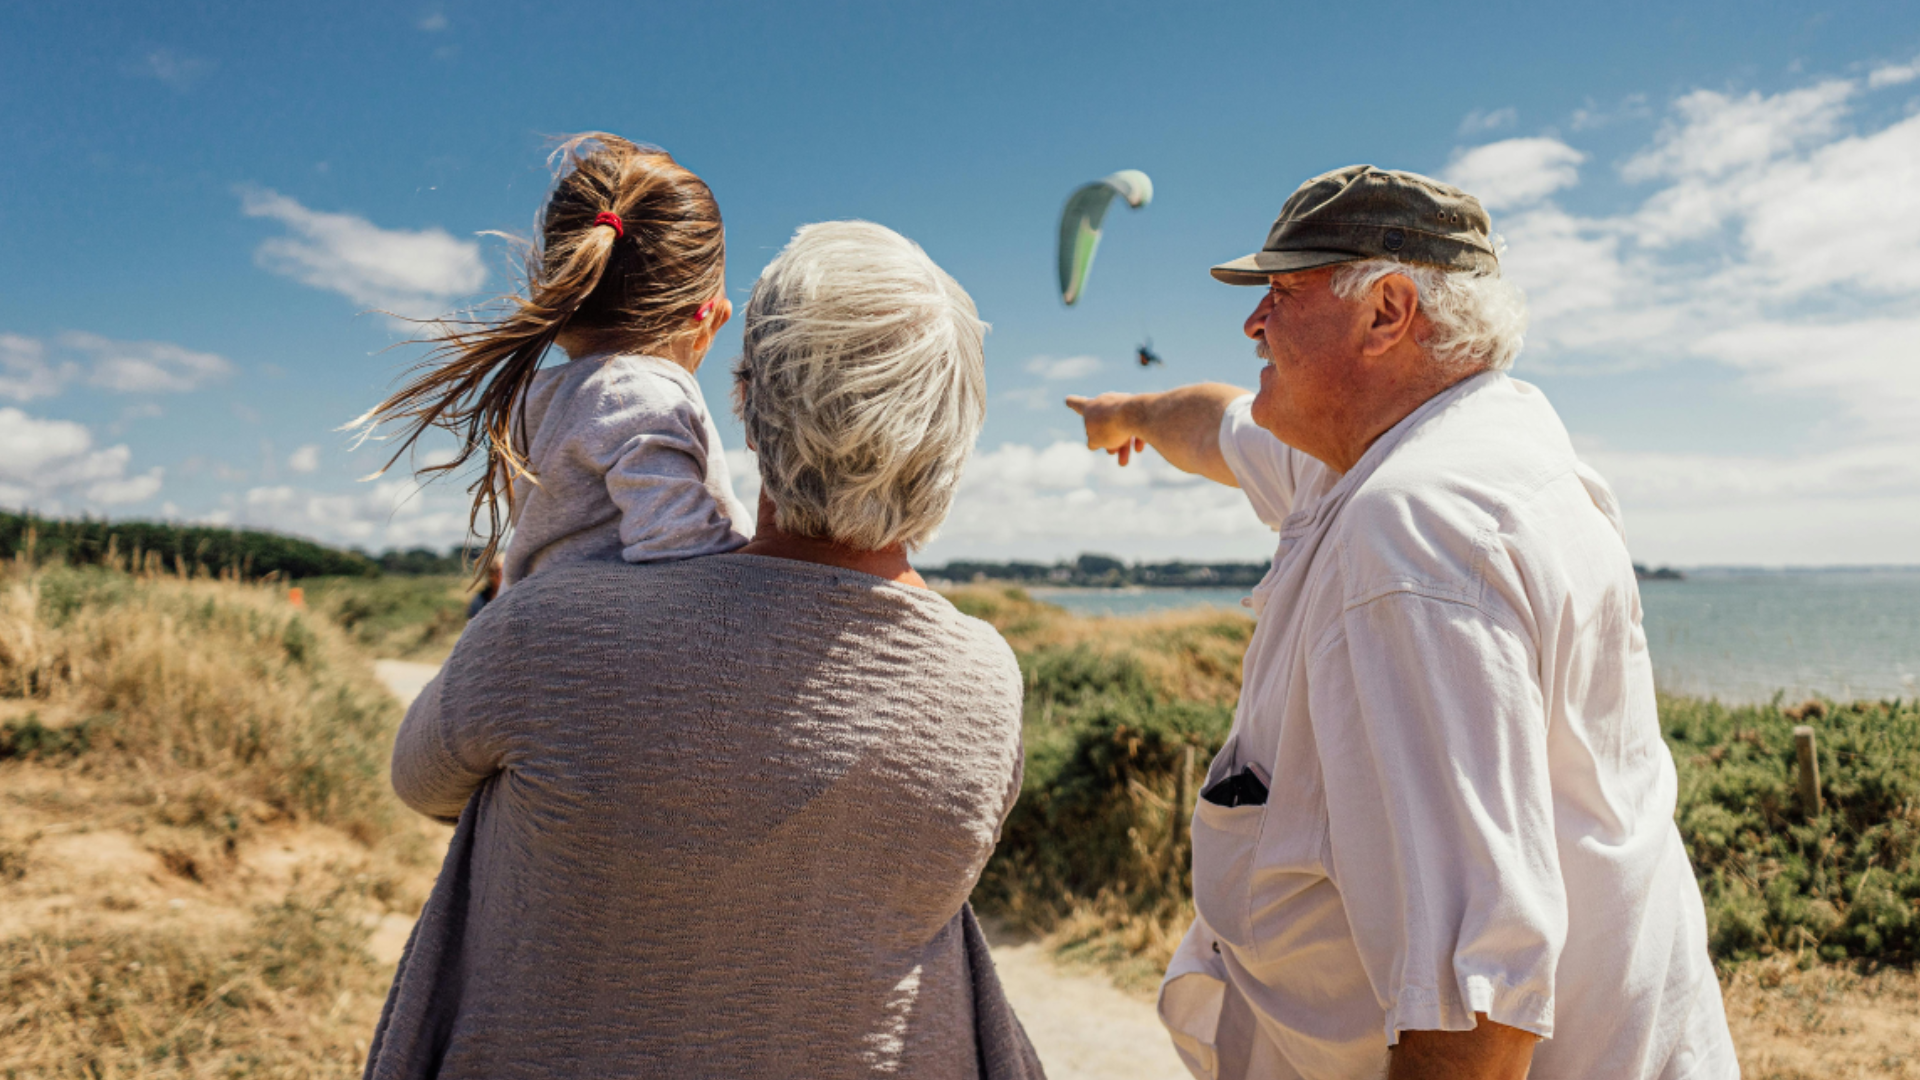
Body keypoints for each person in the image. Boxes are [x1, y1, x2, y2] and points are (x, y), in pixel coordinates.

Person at [1067, 166, 1737, 1080]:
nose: (1253, 322)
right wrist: (1125, 414)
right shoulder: (1444, 443)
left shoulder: (1414, 532)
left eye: (1282, 292)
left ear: (1388, 311)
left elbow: (1474, 1010)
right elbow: (1221, 425)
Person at [365, 220, 1044, 1080]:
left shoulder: (551, 628)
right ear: (953, 435)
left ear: (747, 403)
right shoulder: (986, 680)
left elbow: (419, 781)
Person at [357, 132, 752, 590]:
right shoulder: (643, 394)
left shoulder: (534, 397)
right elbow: (681, 549)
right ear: (708, 318)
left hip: (537, 624)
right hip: (610, 645)